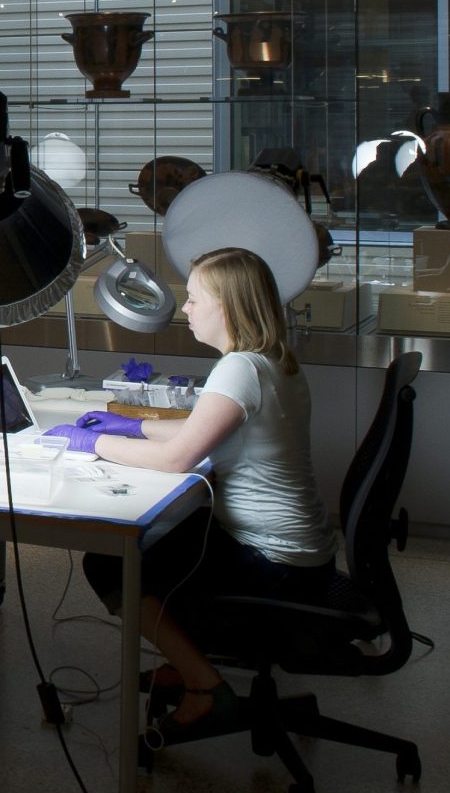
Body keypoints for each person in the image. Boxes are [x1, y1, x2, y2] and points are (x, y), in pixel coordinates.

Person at [44, 246, 338, 731]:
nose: (185, 308)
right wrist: (129, 428)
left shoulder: (240, 369)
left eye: (195, 299)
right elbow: (201, 432)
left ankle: (204, 685)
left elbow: (177, 459)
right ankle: (187, 661)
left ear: (226, 305)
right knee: (162, 540)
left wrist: (91, 443)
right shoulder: (273, 360)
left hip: (275, 564)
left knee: (113, 562)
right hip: (304, 554)